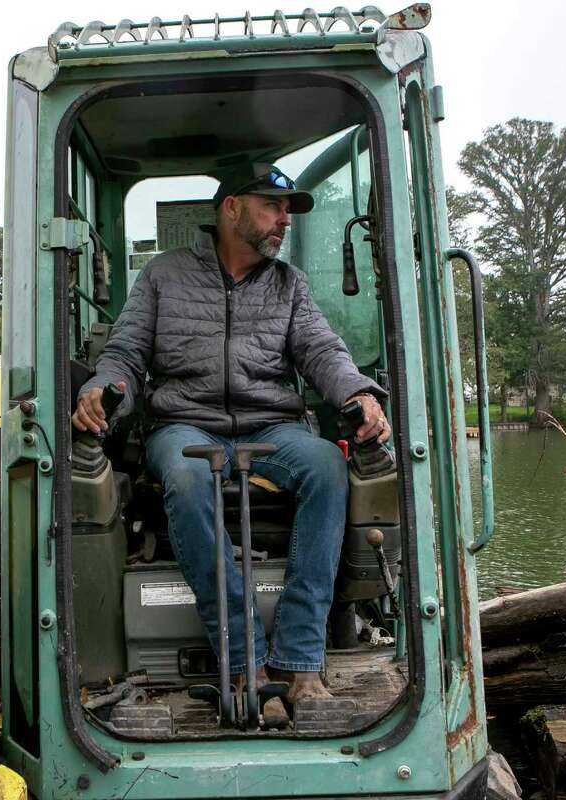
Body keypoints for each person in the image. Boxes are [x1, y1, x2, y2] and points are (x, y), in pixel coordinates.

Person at [73, 163, 390, 727]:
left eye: (286, 210)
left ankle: (298, 664)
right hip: (186, 425)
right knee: (187, 473)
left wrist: (360, 393)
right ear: (231, 209)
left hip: (272, 427)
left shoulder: (289, 284)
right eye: (272, 206)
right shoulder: (164, 276)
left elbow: (322, 352)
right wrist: (103, 388)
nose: (282, 220)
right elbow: (125, 352)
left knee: (325, 466)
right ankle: (245, 663)